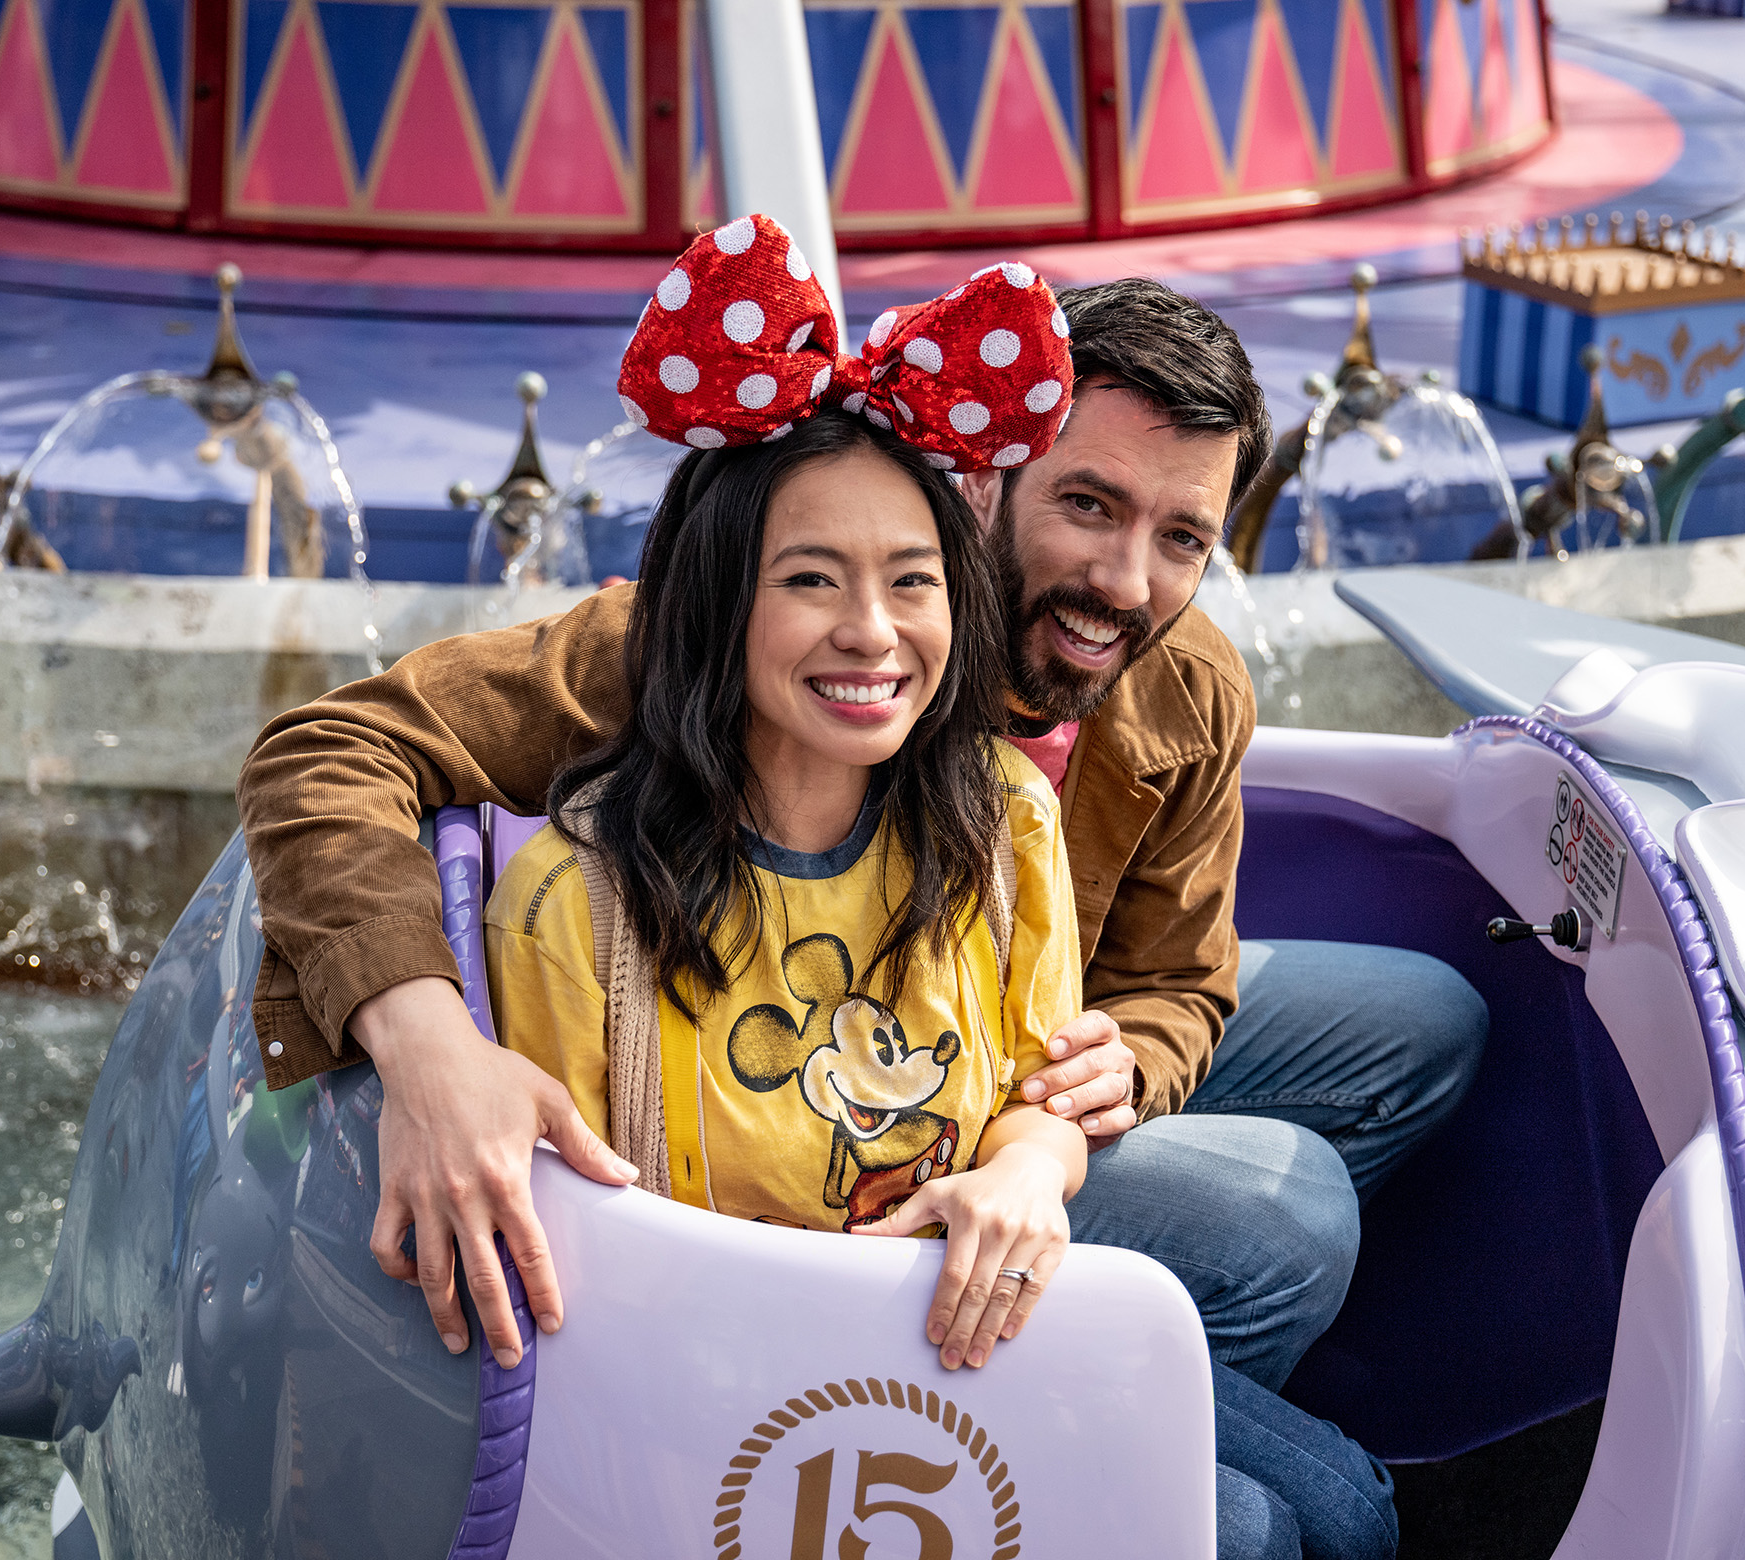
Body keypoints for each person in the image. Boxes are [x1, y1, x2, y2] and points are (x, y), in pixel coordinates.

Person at [237, 223, 1483, 1402]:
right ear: (986, 477)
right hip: (806, 1120)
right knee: (1293, 1226)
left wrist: (1110, 1081)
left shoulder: (1185, 681)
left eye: (1182, 537)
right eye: (1088, 505)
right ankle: (1048, 1386)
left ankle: (1090, 1364)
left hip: (1008, 1068)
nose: (1123, 581)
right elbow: (329, 750)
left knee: (1422, 1022)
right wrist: (429, 1049)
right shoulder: (739, 632)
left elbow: (1173, 983)